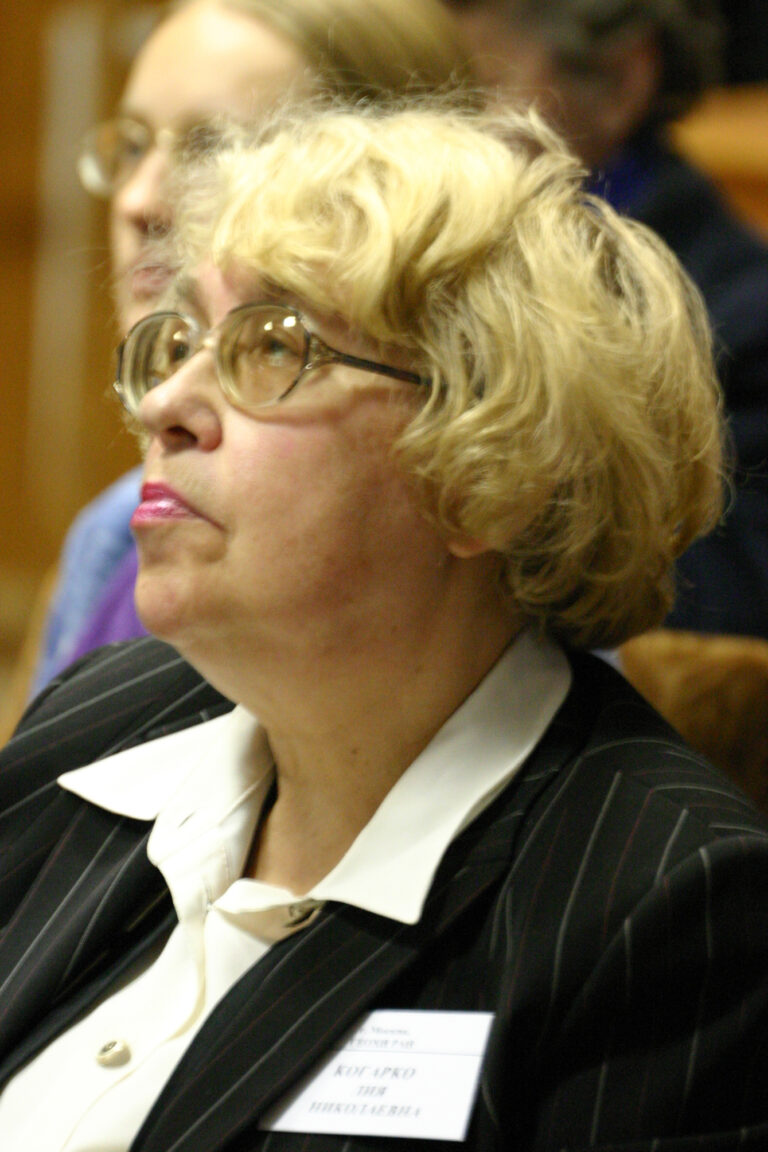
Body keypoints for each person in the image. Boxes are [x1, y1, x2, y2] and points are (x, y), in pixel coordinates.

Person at [2, 97, 767, 1152]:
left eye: (273, 346)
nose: (165, 401)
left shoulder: (664, 910)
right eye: (177, 340)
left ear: (491, 472)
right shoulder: (102, 719)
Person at [27, 0, 473, 698]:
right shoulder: (112, 535)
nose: (138, 201)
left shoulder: (498, 612)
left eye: (213, 151)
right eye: (134, 146)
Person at [442, 0, 768, 640]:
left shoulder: (745, 321)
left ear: (620, 80)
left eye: (470, 92)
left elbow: (724, 611)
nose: (430, 130)